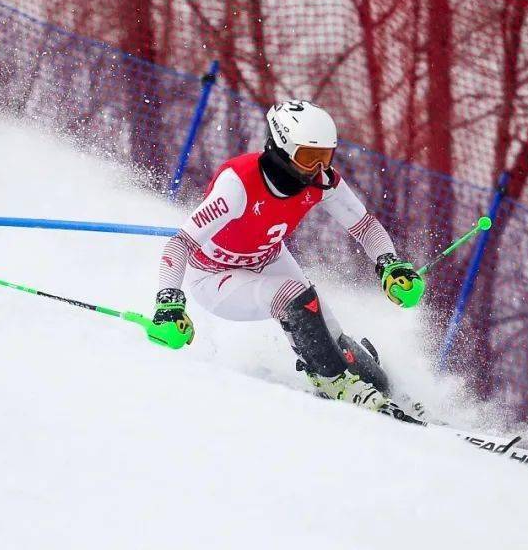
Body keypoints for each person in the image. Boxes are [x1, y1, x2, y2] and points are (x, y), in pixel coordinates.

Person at [151, 100, 426, 420]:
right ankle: (332, 380)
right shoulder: (237, 185)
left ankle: (379, 385)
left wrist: (389, 263)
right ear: (282, 145)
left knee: (327, 326)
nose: (319, 169)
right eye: (309, 157)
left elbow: (364, 226)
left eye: (325, 157)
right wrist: (169, 302)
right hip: (214, 276)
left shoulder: (323, 182)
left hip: (266, 256)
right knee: (292, 296)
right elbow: (180, 244)